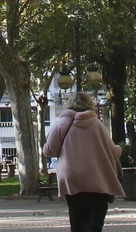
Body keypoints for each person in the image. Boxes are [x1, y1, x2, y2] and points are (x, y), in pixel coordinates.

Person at [43, 92, 122, 232]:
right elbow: (113, 152)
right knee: (97, 211)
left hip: (71, 178)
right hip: (97, 177)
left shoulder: (62, 123)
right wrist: (120, 149)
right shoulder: (97, 124)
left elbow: (48, 151)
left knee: (76, 215)